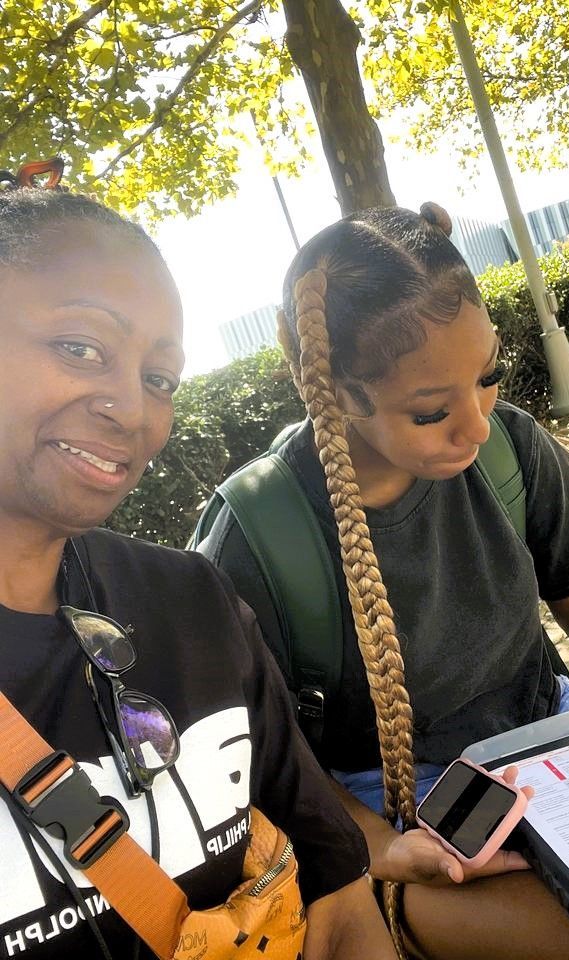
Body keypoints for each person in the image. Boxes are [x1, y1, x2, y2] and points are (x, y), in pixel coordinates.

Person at [202, 202, 569, 960]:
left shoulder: (507, 448)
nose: (475, 424)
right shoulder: (258, 535)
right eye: (432, 411)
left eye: (488, 377)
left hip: (561, 745)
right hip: (397, 821)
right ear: (337, 391)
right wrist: (379, 846)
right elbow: (264, 758)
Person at [0, 163, 398, 960]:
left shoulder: (192, 604)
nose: (132, 408)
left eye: (160, 379)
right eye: (80, 348)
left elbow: (342, 902)